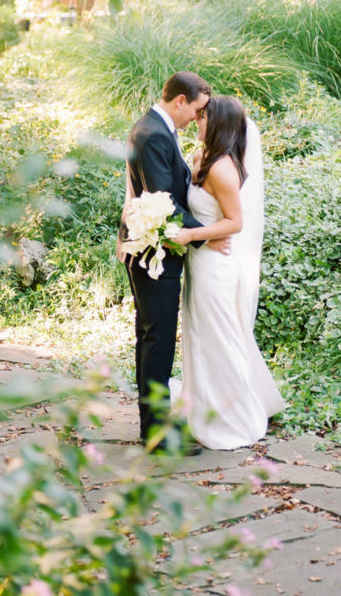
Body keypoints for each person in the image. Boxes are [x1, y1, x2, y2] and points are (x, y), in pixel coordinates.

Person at [122, 71, 227, 452]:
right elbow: (164, 201)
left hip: (155, 250)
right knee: (158, 342)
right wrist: (208, 235)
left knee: (153, 339)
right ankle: (156, 433)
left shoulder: (155, 129)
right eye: (197, 109)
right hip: (155, 254)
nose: (198, 118)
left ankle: (153, 424)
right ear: (180, 100)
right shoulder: (153, 134)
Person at [174, 94, 284, 449]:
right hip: (199, 264)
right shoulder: (202, 157)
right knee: (200, 335)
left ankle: (234, 417)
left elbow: (235, 222)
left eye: (204, 117)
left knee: (218, 338)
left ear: (219, 123)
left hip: (216, 268)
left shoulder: (222, 168)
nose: (197, 120)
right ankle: (202, 407)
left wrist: (192, 235)